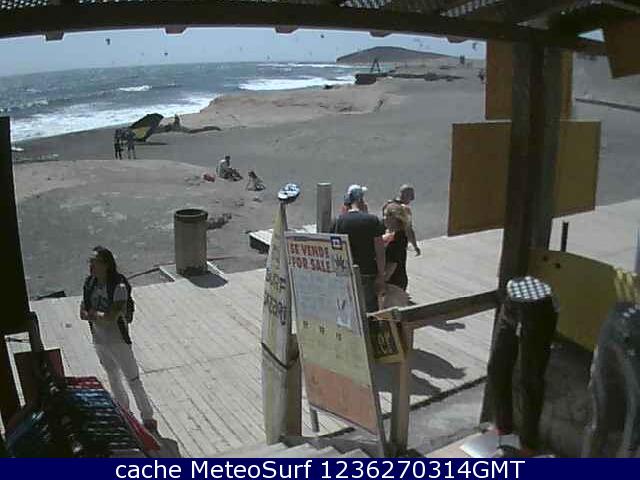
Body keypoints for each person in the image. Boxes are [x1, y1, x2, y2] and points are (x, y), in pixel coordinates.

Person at [79, 246, 157, 432]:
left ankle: (147, 416)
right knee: (112, 377)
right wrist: (95, 315)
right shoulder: (89, 284)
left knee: (133, 379)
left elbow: (111, 317)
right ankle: (124, 414)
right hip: (99, 339)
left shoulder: (119, 286)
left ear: (106, 264)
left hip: (118, 340)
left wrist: (93, 314)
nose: (91, 266)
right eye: (90, 262)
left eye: (95, 262)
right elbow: (82, 311)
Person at [331, 184, 385, 312]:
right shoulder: (372, 220)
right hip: (367, 272)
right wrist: (381, 275)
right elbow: (380, 251)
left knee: (349, 310)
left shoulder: (338, 222)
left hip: (345, 273)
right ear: (361, 200)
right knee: (369, 311)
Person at [383, 184, 421, 256]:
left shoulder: (388, 205)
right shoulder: (404, 209)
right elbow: (409, 230)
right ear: (406, 195)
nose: (413, 198)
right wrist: (415, 246)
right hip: (398, 241)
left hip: (386, 239)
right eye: (411, 196)